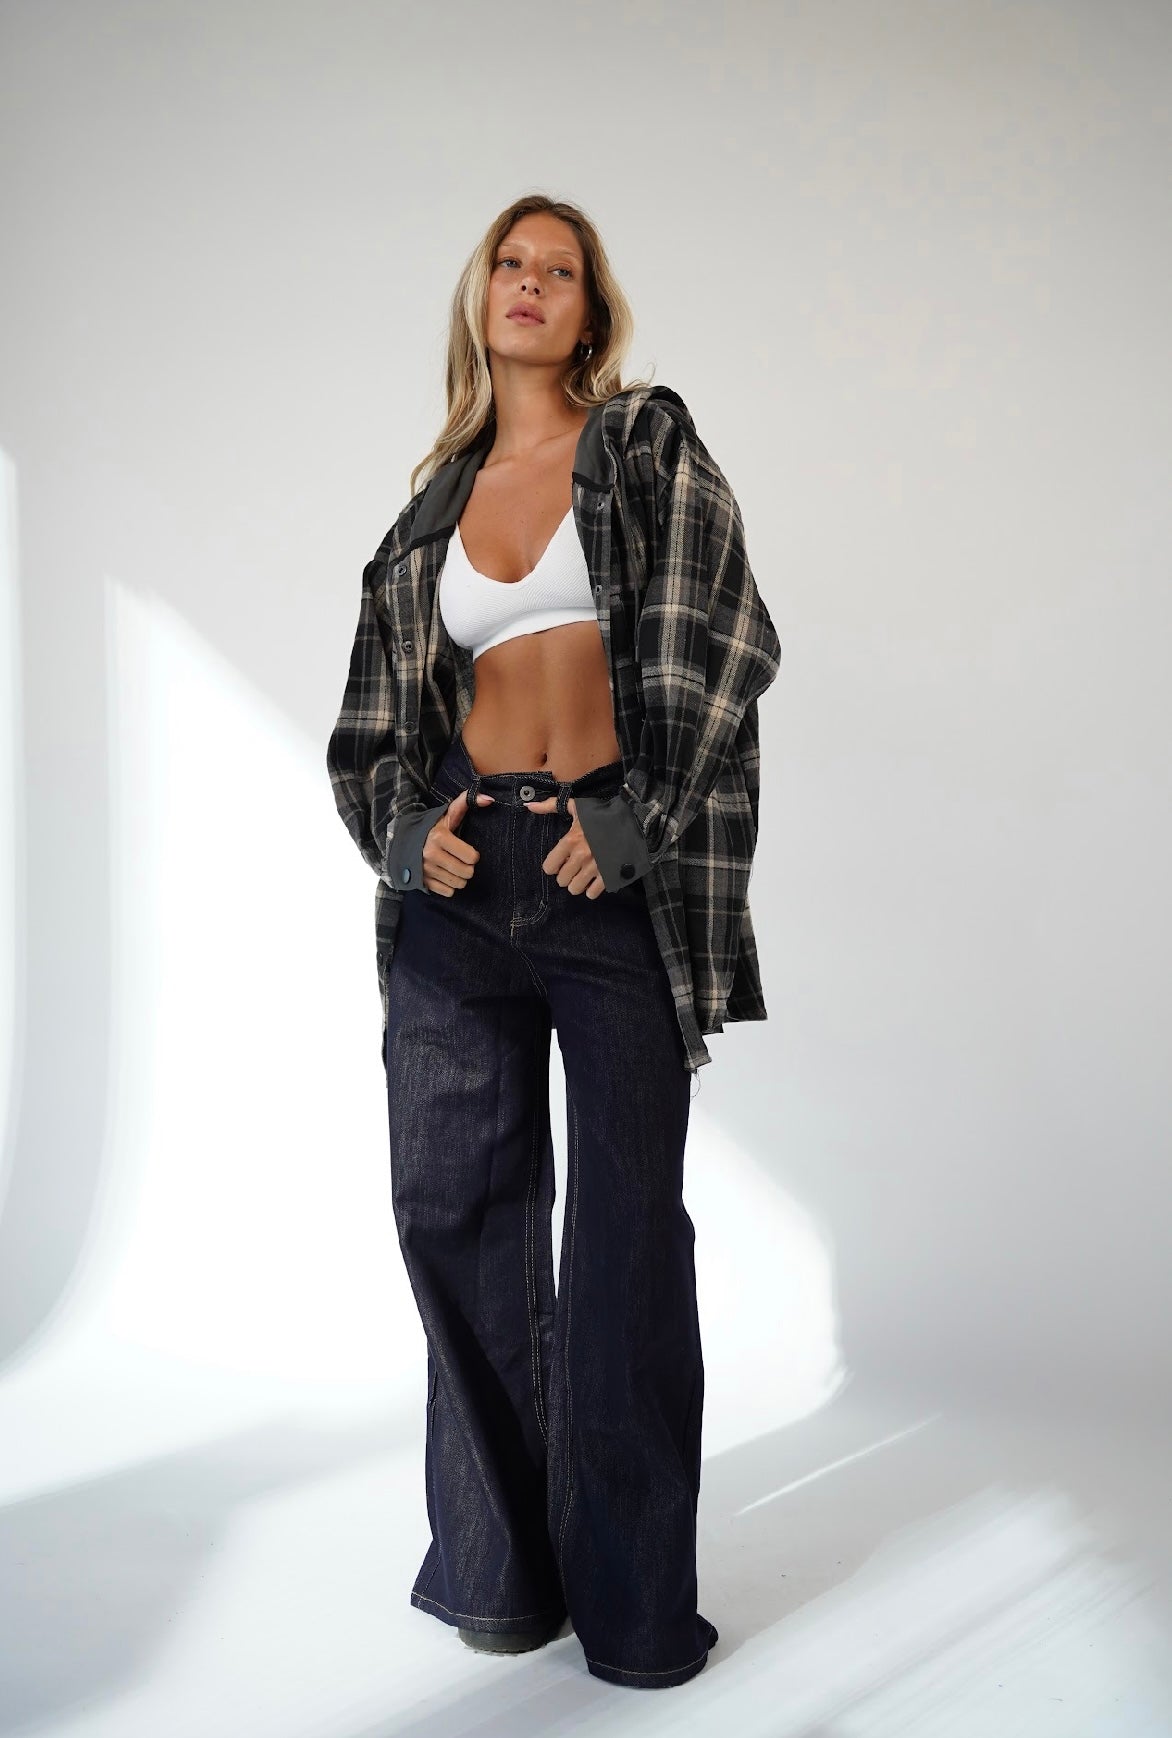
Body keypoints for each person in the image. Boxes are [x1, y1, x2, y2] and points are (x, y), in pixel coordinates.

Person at [326, 193, 781, 1690]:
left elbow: (728, 635)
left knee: (626, 1238)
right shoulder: (427, 516)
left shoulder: (643, 446)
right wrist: (407, 836)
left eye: (560, 270)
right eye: (510, 265)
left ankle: (639, 1616)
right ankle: (502, 1577)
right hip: (461, 896)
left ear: (591, 310)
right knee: (456, 1213)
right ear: (481, 298)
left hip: (604, 876)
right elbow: (368, 733)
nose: (530, 284)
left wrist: (638, 819)